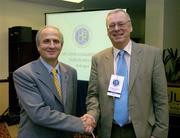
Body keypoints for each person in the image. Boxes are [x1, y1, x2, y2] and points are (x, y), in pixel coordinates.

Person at [83, 9, 169, 138]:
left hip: (142, 132)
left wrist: (159, 134)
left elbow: (161, 99)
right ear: (107, 31)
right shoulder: (98, 59)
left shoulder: (152, 55)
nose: (116, 28)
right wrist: (92, 115)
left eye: (121, 24)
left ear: (130, 27)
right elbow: (93, 95)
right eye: (112, 26)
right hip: (108, 131)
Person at [13, 26, 94, 138]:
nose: (52, 46)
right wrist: (80, 124)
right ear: (38, 46)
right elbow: (39, 114)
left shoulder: (71, 72)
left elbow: (71, 108)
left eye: (56, 41)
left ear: (61, 46)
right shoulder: (24, 74)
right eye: (46, 41)